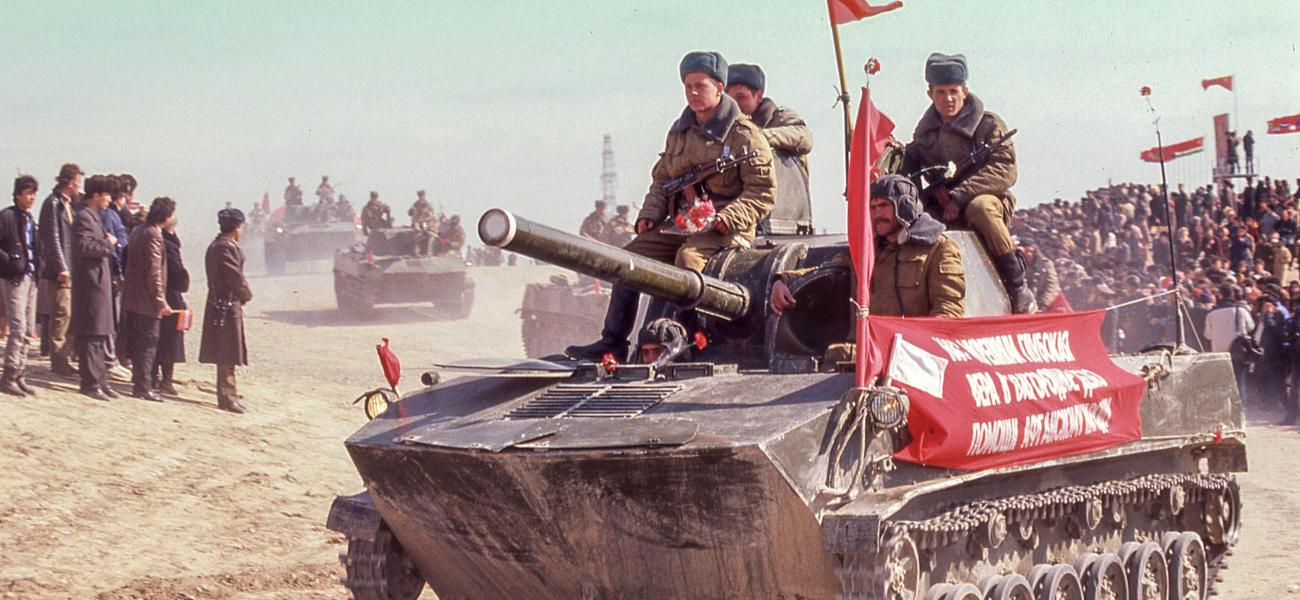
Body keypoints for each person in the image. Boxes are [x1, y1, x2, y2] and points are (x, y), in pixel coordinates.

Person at [566, 51, 776, 360]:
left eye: (699, 86)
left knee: (688, 260)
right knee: (628, 261)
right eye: (687, 85)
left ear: (719, 87)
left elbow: (762, 192)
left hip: (725, 228)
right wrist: (649, 215)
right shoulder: (679, 133)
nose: (692, 92)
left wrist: (729, 217)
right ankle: (613, 341)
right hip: (683, 222)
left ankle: (679, 341)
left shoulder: (745, 136)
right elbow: (662, 180)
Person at [900, 53, 1037, 313]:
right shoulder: (925, 133)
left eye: (954, 91)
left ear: (965, 91)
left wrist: (960, 196)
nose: (948, 98)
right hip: (943, 204)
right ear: (930, 94)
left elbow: (1004, 169)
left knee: (980, 208)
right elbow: (913, 170)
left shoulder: (988, 126)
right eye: (941, 92)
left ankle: (1018, 287)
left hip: (989, 199)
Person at [770, 174, 965, 319]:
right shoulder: (865, 252)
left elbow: (948, 310)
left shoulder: (938, 249)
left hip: (910, 354)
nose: (877, 214)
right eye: (872, 208)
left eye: (884, 206)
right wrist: (783, 281)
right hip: (864, 354)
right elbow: (827, 271)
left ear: (906, 207)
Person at [120, 197, 176, 402]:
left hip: (132, 297)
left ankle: (139, 383)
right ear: (166, 216)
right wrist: (160, 301)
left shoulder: (138, 230)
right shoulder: (153, 235)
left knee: (137, 343)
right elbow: (154, 272)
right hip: (146, 301)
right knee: (148, 344)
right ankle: (143, 387)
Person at [70, 175, 121, 401]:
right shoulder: (83, 216)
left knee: (101, 333)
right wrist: (107, 244)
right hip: (90, 284)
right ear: (96, 195)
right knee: (92, 333)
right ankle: (90, 382)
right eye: (107, 194)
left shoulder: (95, 217)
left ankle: (100, 379)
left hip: (99, 282)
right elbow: (83, 247)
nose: (109, 199)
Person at [200, 208, 254, 413]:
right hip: (226, 305)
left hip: (224, 303)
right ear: (236, 227)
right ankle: (227, 396)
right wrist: (246, 294)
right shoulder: (224, 248)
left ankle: (228, 392)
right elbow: (235, 278)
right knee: (227, 352)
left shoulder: (220, 245)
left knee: (228, 351)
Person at [725, 63, 813, 181]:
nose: (734, 105)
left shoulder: (779, 117)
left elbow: (804, 138)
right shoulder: (726, 128)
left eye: (741, 97)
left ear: (759, 96)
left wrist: (755, 137)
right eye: (729, 99)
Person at [0, 176, 43, 396]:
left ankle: (20, 373)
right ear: (17, 194)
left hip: (31, 277)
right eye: (27, 193)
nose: (31, 197)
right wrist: (10, 263)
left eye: (34, 193)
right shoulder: (7, 216)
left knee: (27, 329)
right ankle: (9, 374)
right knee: (17, 327)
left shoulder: (29, 219)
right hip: (14, 278)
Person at [38, 163, 81, 377]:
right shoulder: (53, 204)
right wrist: (61, 266)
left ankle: (62, 357)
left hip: (69, 267)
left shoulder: (67, 204)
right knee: (61, 315)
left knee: (67, 315)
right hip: (59, 271)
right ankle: (58, 360)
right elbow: (52, 238)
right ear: (71, 182)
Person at [153, 216, 189, 396]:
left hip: (155, 294)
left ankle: (152, 377)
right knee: (170, 338)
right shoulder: (168, 244)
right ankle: (165, 380)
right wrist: (184, 281)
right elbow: (178, 273)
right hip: (170, 295)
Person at [101, 177, 132, 381]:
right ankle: (109, 360)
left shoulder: (112, 214)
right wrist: (119, 270)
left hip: (114, 269)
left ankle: (111, 358)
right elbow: (117, 242)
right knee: (111, 317)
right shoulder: (108, 215)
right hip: (113, 270)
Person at [1204, 285, 1255, 402]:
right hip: (1238, 352)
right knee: (1239, 382)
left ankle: (1225, 412)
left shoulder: (1211, 314)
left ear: (1220, 295)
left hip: (1219, 354)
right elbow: (1251, 327)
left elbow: (1208, 335)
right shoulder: (1241, 311)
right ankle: (1241, 412)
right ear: (1233, 295)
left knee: (1222, 384)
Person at [1021, 237, 1060, 311]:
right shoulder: (1016, 263)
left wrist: (1043, 303)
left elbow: (1052, 285)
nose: (1028, 254)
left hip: (1039, 303)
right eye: (1026, 251)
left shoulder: (1045, 264)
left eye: (1031, 251)